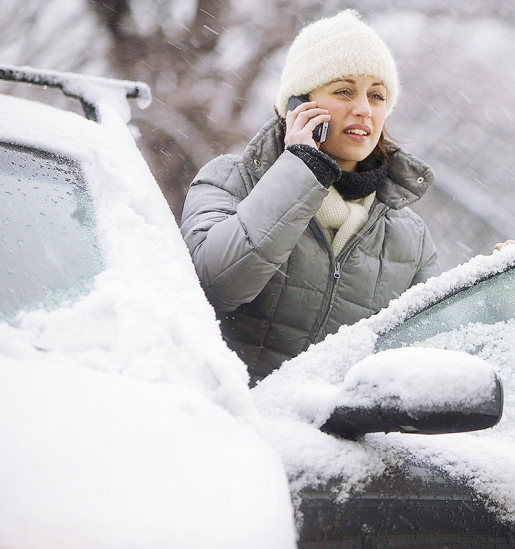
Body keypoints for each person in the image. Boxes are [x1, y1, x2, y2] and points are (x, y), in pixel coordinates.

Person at [180, 10, 438, 386]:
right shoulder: (230, 180)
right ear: (297, 105)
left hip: (332, 442)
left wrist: (502, 298)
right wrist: (301, 169)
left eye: (377, 95)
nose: (364, 109)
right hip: (230, 428)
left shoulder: (411, 238)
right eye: (344, 91)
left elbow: (431, 353)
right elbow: (217, 285)